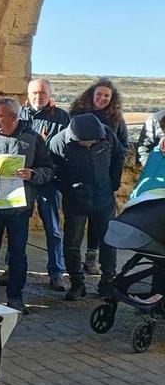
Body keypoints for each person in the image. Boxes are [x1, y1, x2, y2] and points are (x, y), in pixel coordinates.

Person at [0, 98, 55, 314]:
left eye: (0, 116)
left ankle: (15, 296)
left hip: (19, 210)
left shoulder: (32, 140)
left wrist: (32, 174)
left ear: (14, 118)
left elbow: (49, 169)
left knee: (18, 254)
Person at [48, 114, 124, 300]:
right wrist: (67, 188)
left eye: (93, 143)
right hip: (75, 200)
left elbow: (119, 155)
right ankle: (77, 283)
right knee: (72, 243)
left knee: (108, 241)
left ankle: (107, 282)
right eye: (85, 143)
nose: (89, 145)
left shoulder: (106, 135)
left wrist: (113, 182)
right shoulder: (58, 142)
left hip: (103, 198)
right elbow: (52, 168)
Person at [68, 79, 129, 275]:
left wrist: (113, 180)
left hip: (103, 180)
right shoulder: (76, 114)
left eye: (106, 96)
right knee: (74, 230)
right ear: (91, 95)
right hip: (78, 182)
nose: (102, 98)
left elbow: (122, 148)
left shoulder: (116, 119)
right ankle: (75, 275)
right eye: (99, 94)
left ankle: (91, 259)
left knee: (100, 225)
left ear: (112, 99)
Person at [18, 78, 69, 291]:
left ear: (50, 96)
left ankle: (56, 272)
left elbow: (68, 148)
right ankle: (14, 268)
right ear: (28, 95)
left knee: (53, 228)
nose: (38, 97)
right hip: (23, 180)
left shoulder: (61, 117)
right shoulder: (19, 115)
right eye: (34, 93)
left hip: (49, 179)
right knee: (18, 227)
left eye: (43, 93)